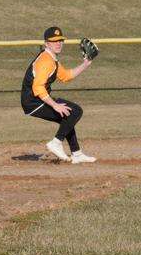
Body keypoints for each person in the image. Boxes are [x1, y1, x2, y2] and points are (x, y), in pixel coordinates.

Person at [21, 26, 95, 163]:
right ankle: (56, 143)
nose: (58, 43)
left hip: (37, 99)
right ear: (46, 43)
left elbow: (66, 76)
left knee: (68, 116)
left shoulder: (52, 59)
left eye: (60, 40)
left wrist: (86, 63)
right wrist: (55, 105)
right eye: (54, 41)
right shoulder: (46, 61)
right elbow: (37, 87)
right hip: (33, 101)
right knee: (75, 111)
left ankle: (76, 154)